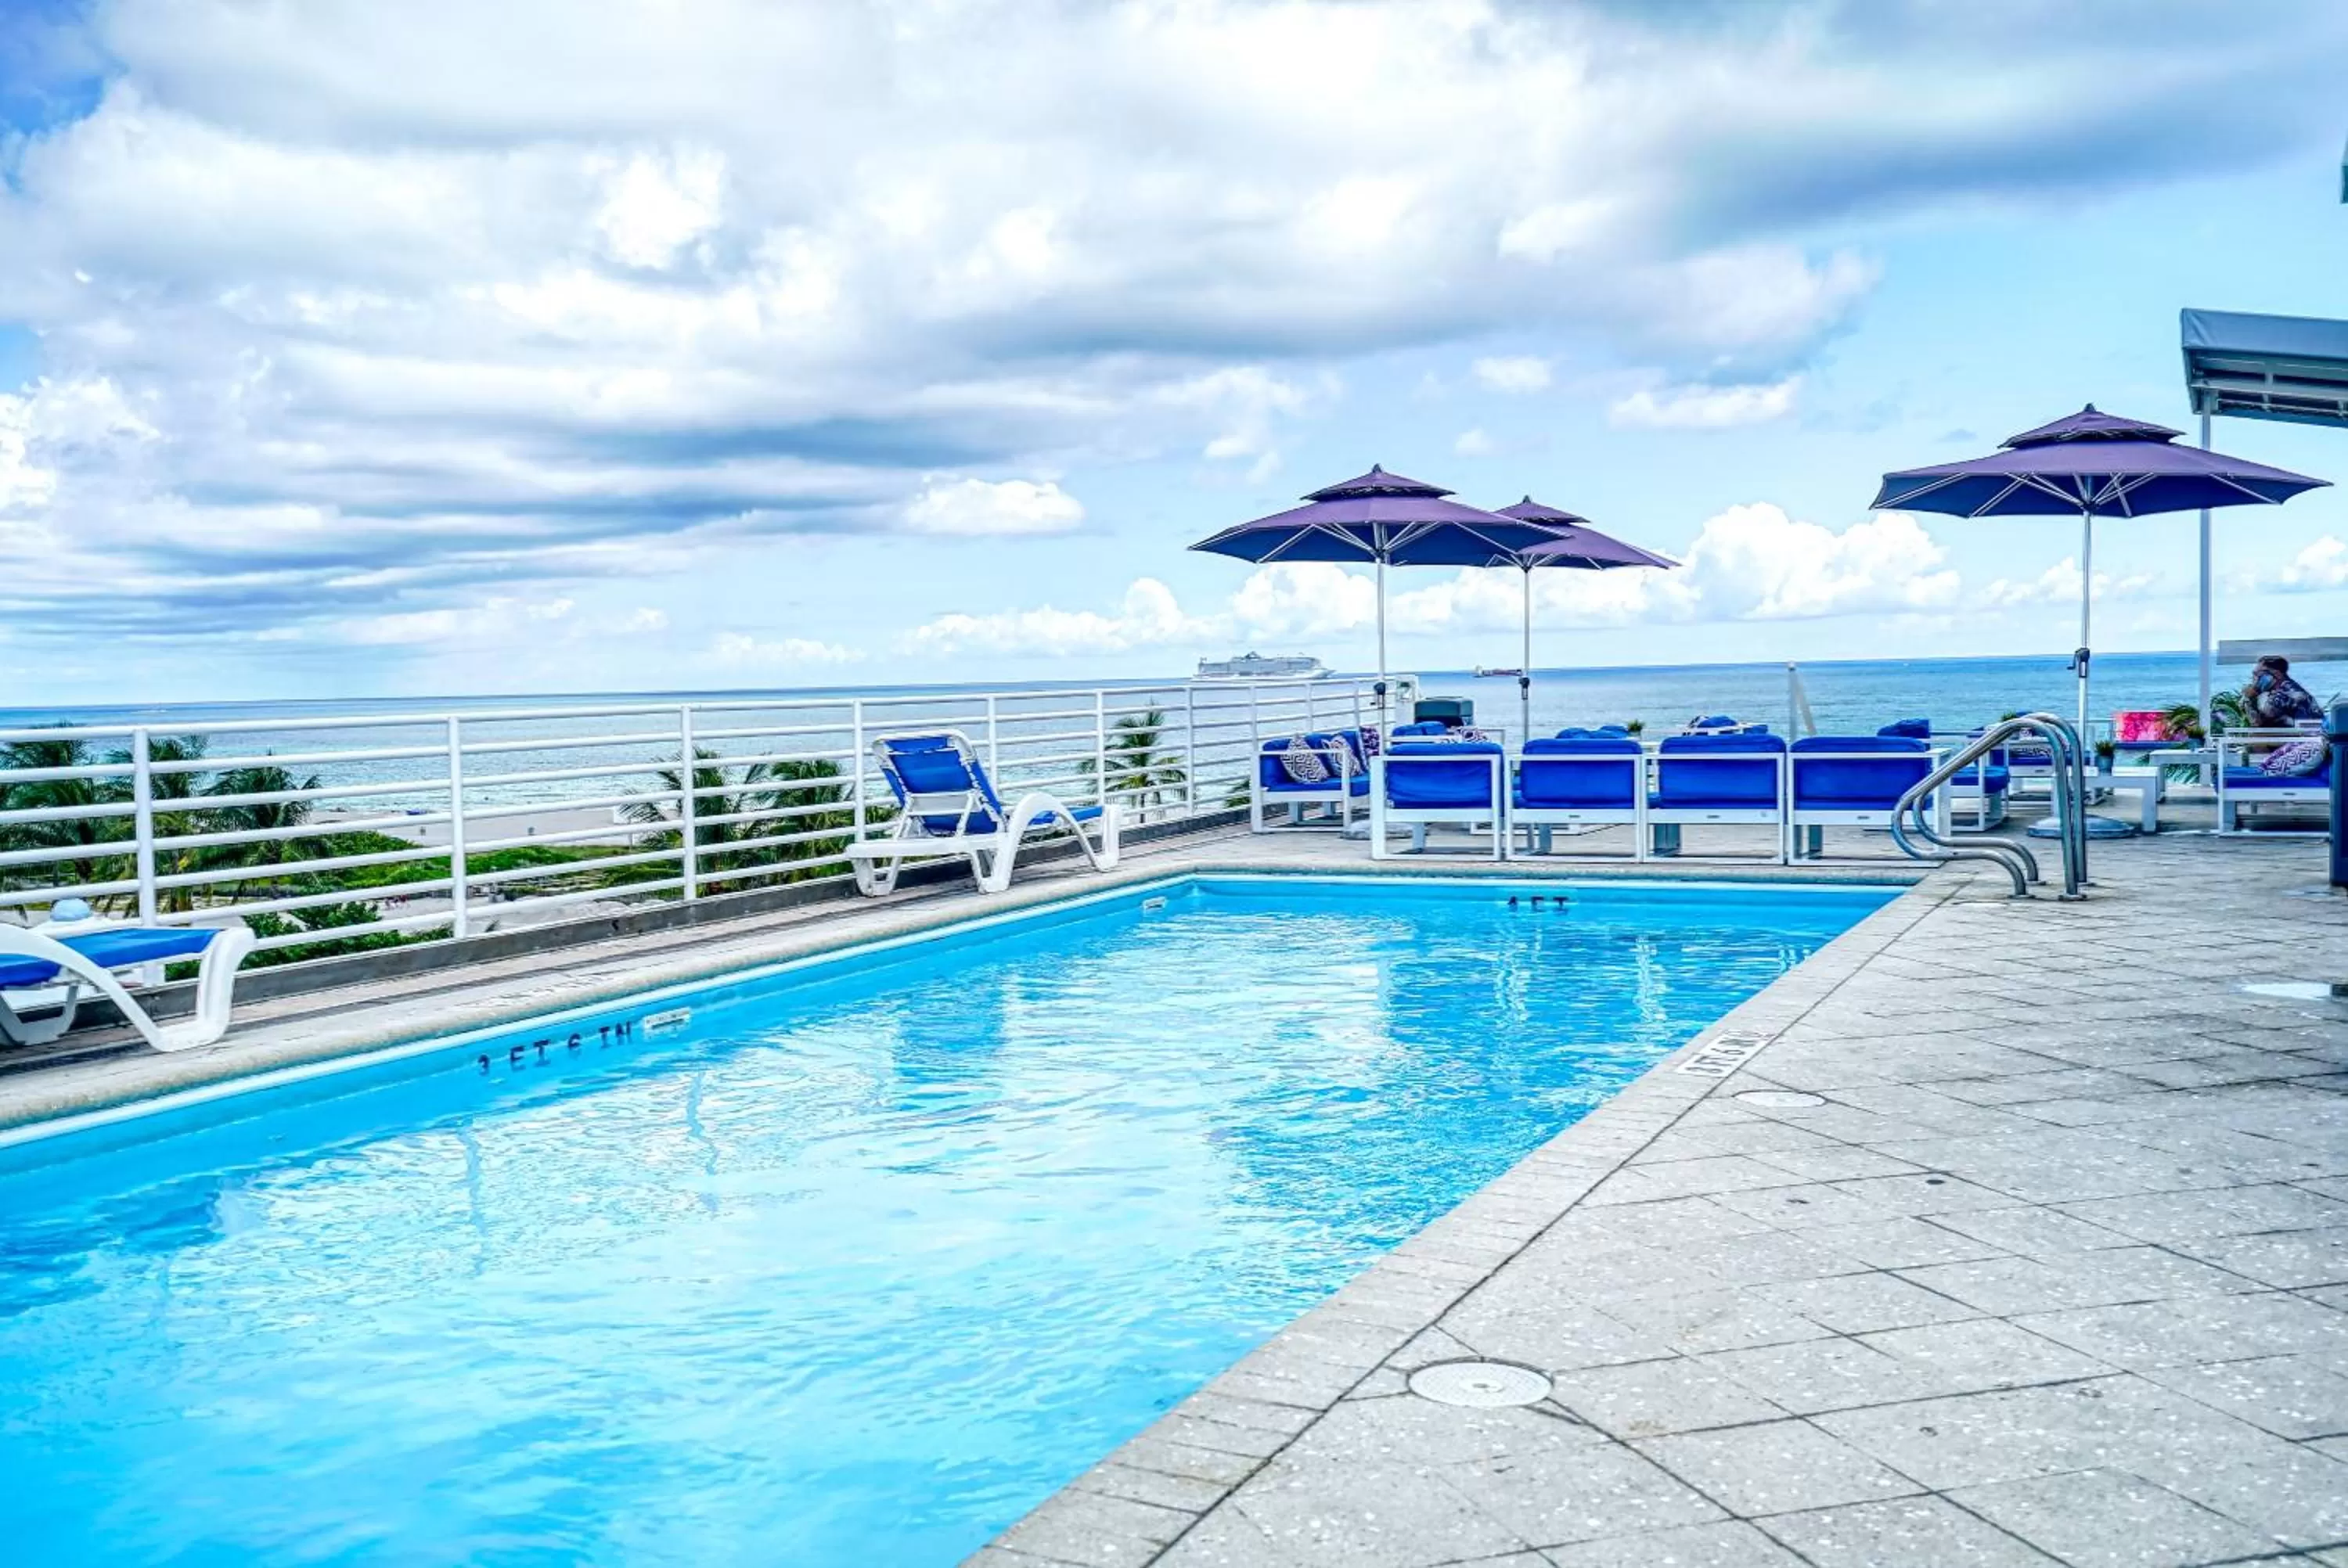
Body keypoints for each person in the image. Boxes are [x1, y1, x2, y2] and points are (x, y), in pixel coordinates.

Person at [2245, 654, 2323, 726]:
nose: (2256, 678)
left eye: (2259, 674)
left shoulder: (2289, 691)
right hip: (2303, 733)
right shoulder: (2285, 688)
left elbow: (2264, 715)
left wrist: (2252, 696)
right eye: (2254, 674)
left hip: (2307, 735)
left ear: (2277, 674)